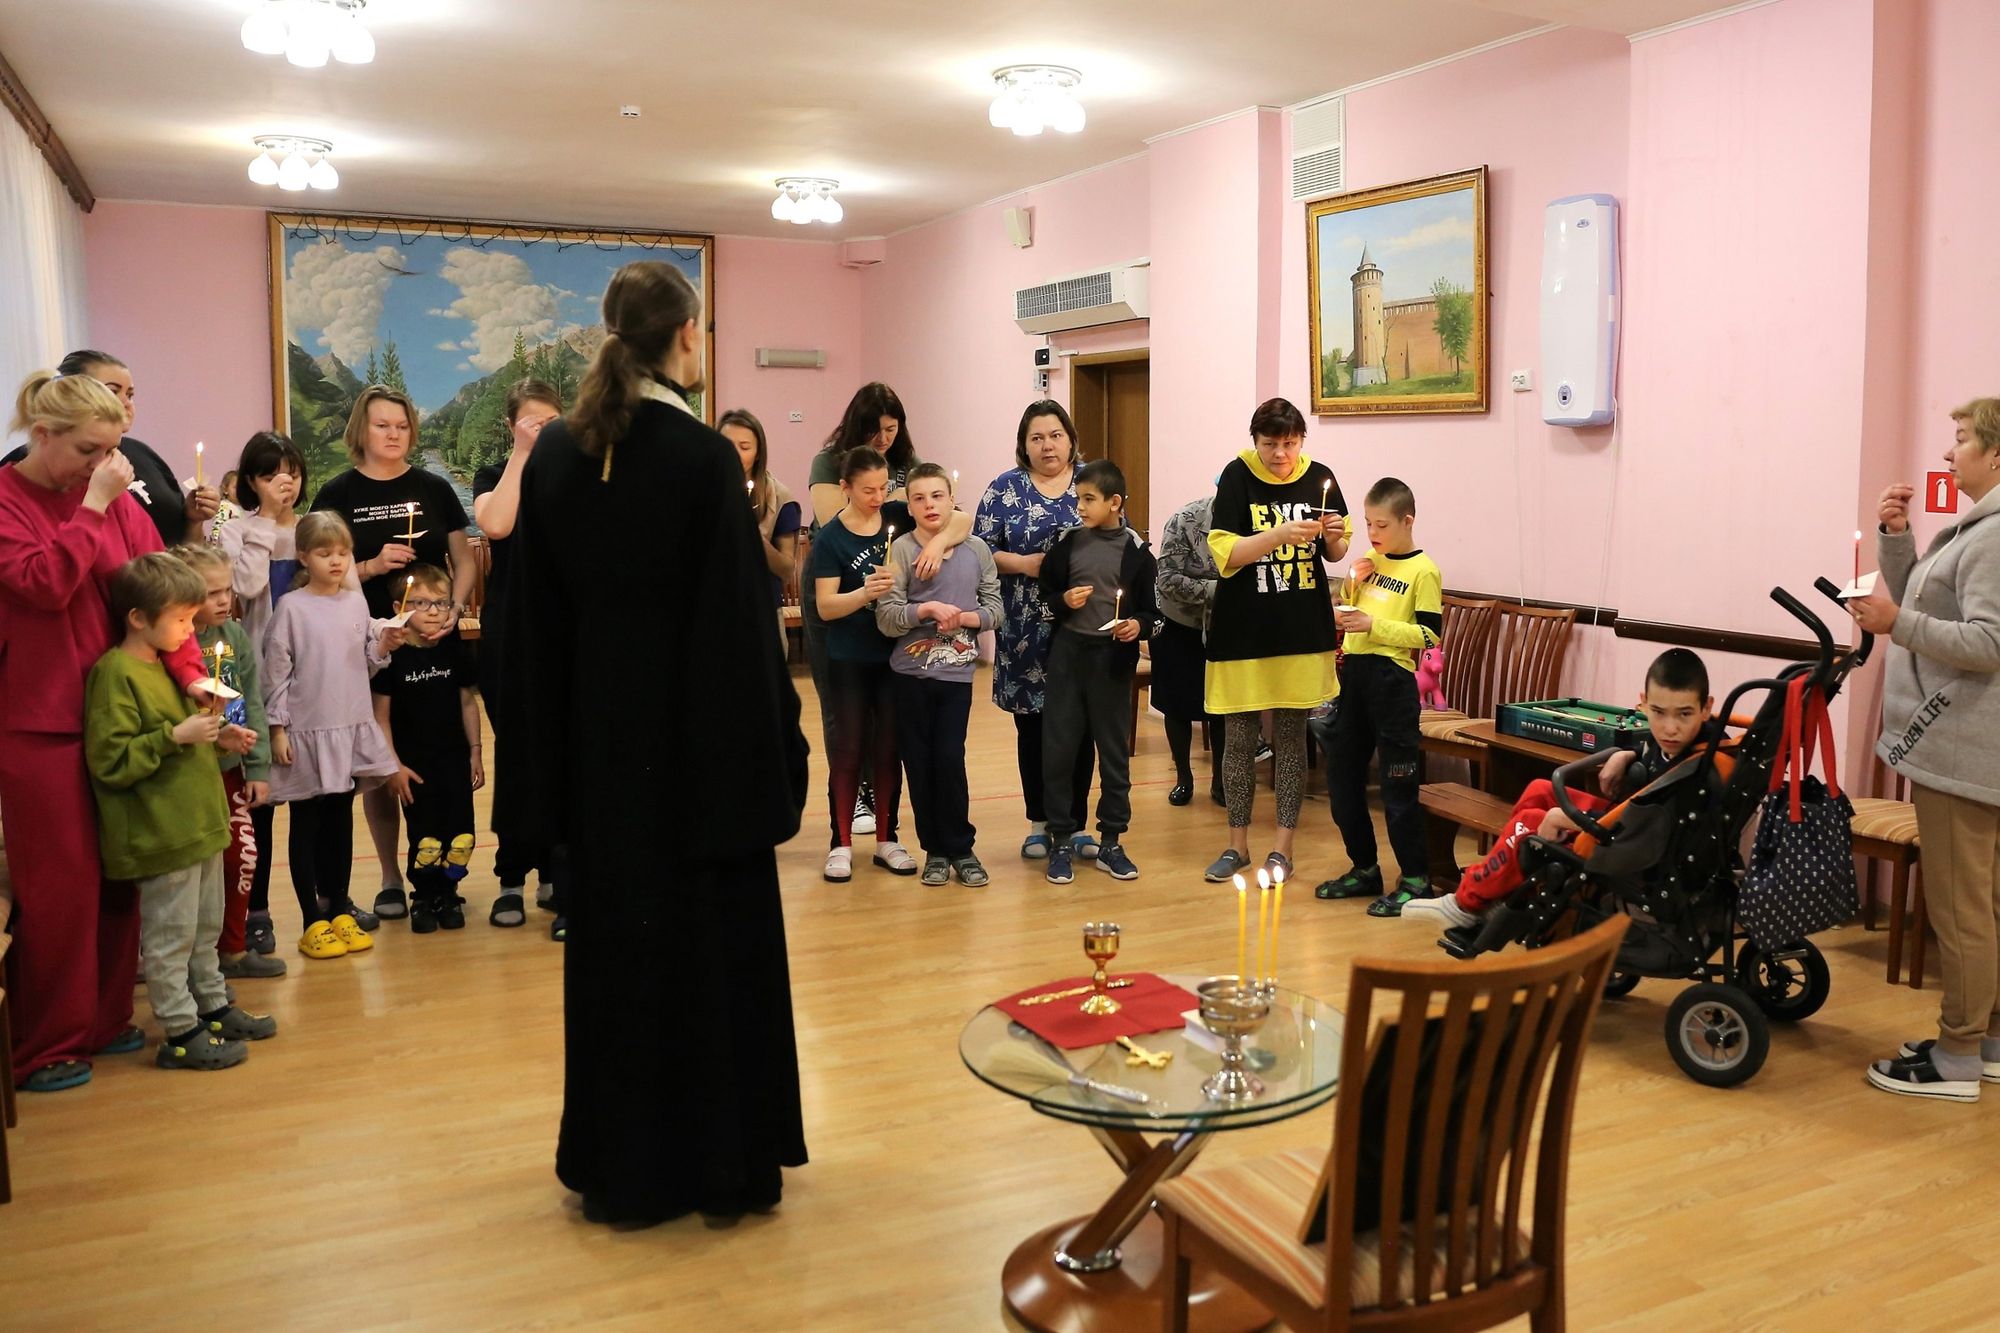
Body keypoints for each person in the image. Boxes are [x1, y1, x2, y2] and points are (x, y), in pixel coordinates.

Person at [505, 259, 810, 1222]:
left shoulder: (558, 453)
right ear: (686, 336)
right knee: (709, 961)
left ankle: (623, 1166)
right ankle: (718, 1163)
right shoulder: (703, 458)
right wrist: (777, 751)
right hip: (697, 760)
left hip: (600, 754)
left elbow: (532, 625)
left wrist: (548, 762)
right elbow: (739, 631)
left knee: (618, 962)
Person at [1, 370, 210, 1093]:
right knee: (59, 889)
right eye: (87, 450)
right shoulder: (10, 502)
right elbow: (45, 584)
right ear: (42, 434)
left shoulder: (115, 500)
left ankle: (104, 1017)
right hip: (41, 725)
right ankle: (46, 1045)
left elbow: (160, 592)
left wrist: (192, 675)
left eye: (111, 451)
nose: (101, 465)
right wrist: (92, 504)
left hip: (125, 712)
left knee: (127, 870)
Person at [1854, 398, 2000, 1102]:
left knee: (1960, 910)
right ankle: (1988, 1040)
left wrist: (1894, 623)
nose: (1949, 452)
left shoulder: (1995, 536)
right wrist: (1896, 537)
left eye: (1962, 439)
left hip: (1964, 752)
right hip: (1965, 747)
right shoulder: (1978, 527)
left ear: (1997, 455)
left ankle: (1957, 1055)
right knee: (1985, 905)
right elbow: (1927, 602)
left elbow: (1988, 643)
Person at [84, 553, 276, 1071]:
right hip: (162, 835)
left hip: (201, 826)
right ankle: (179, 1030)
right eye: (182, 619)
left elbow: (190, 734)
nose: (191, 632)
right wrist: (176, 736)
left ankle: (212, 1005)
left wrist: (221, 736)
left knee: (205, 927)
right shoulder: (116, 674)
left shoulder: (171, 666)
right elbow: (111, 761)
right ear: (138, 618)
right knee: (171, 938)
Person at [1404, 650, 1717, 932]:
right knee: (1539, 789)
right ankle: (1510, 886)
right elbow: (1650, 771)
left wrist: (1566, 819)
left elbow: (1647, 829)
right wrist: (1627, 754)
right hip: (1631, 821)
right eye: (1659, 712)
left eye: (1684, 714)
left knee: (1532, 822)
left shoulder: (1698, 767)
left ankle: (1466, 903)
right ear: (1643, 704)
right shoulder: (1697, 738)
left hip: (1636, 846)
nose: (1670, 728)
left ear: (1707, 708)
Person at [312, 385, 472, 926]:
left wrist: (455, 607)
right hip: (366, 646)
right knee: (380, 761)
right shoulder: (337, 493)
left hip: (432, 639)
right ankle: (388, 876)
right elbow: (317, 575)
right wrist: (373, 567)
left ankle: (439, 874)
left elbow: (462, 558)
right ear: (361, 429)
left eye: (402, 426)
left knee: (433, 753)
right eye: (382, 425)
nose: (394, 434)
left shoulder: (434, 487)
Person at [1202, 398, 1347, 887]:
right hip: (1243, 631)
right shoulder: (1237, 476)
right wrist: (1279, 533)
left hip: (1300, 629)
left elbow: (1336, 550)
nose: (1281, 454)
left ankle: (1283, 848)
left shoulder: (1320, 476)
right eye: (1270, 444)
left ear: (1301, 440)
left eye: (1290, 443)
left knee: (1290, 739)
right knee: (1239, 740)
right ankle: (1236, 845)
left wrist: (1333, 535)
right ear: (1255, 441)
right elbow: (1228, 554)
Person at [261, 511, 404, 960]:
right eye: (325, 553)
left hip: (348, 724)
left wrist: (383, 646)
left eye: (343, 552)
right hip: (306, 731)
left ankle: (338, 907)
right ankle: (312, 920)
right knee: (306, 823)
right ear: (304, 556)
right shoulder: (291, 607)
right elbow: (276, 674)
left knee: (341, 819)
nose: (337, 561)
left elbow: (364, 660)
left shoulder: (355, 603)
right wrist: (277, 729)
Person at [974, 400, 1098, 861]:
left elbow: (1117, 538)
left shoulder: (1091, 482)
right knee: (1033, 727)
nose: (1048, 445)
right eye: (1037, 438)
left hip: (1082, 624)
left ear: (1071, 439)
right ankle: (1039, 822)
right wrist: (1024, 564)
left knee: (1081, 727)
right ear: (1024, 445)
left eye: (1056, 435)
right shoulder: (1004, 488)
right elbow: (979, 551)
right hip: (1024, 625)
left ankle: (1078, 823)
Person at [1316, 478, 1443, 916]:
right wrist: (1350, 585)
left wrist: (1375, 626)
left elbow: (1429, 635)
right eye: (1368, 523)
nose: (1372, 533)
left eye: (1382, 525)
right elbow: (1354, 606)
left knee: (1397, 786)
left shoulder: (1424, 571)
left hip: (1393, 682)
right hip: (1355, 676)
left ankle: (1416, 879)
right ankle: (1365, 868)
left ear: (1407, 521)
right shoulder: (1371, 560)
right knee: (1342, 777)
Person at [874, 463, 1002, 887]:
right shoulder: (901, 551)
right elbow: (887, 618)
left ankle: (961, 847)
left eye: (937, 496)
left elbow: (995, 610)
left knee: (949, 758)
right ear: (909, 507)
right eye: (919, 498)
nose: (929, 505)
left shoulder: (976, 550)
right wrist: (925, 610)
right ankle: (934, 849)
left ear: (951, 500)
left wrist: (964, 618)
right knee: (918, 761)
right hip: (909, 676)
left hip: (955, 677)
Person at [1037, 459, 1159, 884]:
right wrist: (1063, 601)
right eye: (1079, 498)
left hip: (1111, 662)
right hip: (1069, 657)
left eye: (1089, 499)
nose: (1081, 507)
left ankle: (1111, 840)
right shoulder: (1067, 544)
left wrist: (1137, 626)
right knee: (1059, 752)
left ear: (1115, 502)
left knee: (1113, 754)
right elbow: (1044, 599)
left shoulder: (1138, 553)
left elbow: (1154, 614)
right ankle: (1060, 840)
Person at [474, 381, 568, 935]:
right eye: (532, 422)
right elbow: (496, 524)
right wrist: (522, 454)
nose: (543, 430)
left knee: (563, 754)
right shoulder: (493, 474)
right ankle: (510, 877)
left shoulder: (573, 473)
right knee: (516, 752)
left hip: (563, 630)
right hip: (511, 632)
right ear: (511, 425)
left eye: (552, 421)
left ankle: (557, 875)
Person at [804, 386, 918, 837]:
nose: (883, 438)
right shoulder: (829, 462)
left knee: (884, 705)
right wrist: (893, 497)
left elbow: (939, 511)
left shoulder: (906, 463)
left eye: (891, 429)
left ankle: (878, 796)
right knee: (840, 702)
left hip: (887, 590)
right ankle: (852, 799)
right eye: (874, 430)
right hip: (834, 582)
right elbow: (835, 517)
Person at [217, 431, 307, 957]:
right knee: (259, 802)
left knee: (314, 799)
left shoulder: (312, 529)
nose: (284, 481)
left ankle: (324, 904)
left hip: (305, 682)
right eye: (271, 474)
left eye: (291, 471)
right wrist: (267, 521)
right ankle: (256, 912)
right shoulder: (237, 530)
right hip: (251, 681)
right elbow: (248, 587)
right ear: (251, 481)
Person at [178, 542, 284, 980]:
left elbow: (251, 701)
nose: (224, 600)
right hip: (188, 775)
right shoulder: (173, 644)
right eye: (211, 593)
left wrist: (257, 766)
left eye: (227, 590)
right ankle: (189, 959)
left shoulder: (234, 636)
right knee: (194, 872)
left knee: (242, 857)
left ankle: (233, 951)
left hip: (229, 772)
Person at [0, 349, 221, 547]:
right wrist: (96, 503)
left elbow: (159, 559)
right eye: (112, 392)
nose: (126, 403)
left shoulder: (141, 455)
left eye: (130, 394)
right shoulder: (27, 475)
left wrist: (192, 521)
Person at [372, 563, 483, 932]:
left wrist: (476, 752)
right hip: (414, 765)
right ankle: (423, 896)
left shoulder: (452, 648)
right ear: (399, 608)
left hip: (454, 759)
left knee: (460, 836)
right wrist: (393, 765)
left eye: (441, 602)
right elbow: (381, 717)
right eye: (421, 603)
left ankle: (448, 893)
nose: (433, 611)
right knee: (426, 839)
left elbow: (467, 701)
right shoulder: (391, 656)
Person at [1154, 492, 1229, 806]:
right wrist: (1222, 590)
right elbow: (1167, 579)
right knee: (1178, 706)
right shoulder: (1186, 519)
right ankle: (1183, 777)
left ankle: (1221, 782)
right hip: (1180, 623)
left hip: (1227, 626)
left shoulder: (1252, 523)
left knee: (1223, 709)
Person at [721, 407, 802, 628]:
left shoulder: (779, 497)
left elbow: (786, 569)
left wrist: (758, 541)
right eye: (727, 445)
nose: (735, 454)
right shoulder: (702, 491)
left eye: (744, 447)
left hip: (762, 609)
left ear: (758, 453)